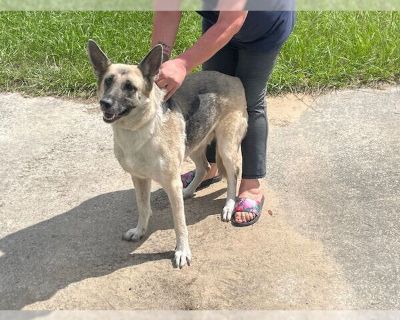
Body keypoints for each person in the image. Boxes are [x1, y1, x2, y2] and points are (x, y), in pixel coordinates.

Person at [152, 2, 295, 226]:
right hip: (218, 21)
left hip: (264, 26)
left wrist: (182, 63)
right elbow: (168, 9)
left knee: (248, 100)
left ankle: (251, 185)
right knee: (213, 95)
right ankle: (210, 168)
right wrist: (158, 62)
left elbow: (233, 20)